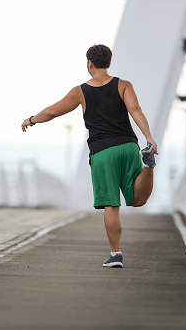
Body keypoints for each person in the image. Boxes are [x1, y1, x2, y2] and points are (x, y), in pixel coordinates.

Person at [21, 44, 158, 268]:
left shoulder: (81, 91)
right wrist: (149, 137)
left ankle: (115, 255)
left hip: (103, 151)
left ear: (89, 64)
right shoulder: (124, 85)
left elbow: (53, 111)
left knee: (112, 205)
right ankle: (149, 165)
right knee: (137, 199)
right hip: (128, 146)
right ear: (109, 63)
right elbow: (136, 110)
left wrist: (32, 119)